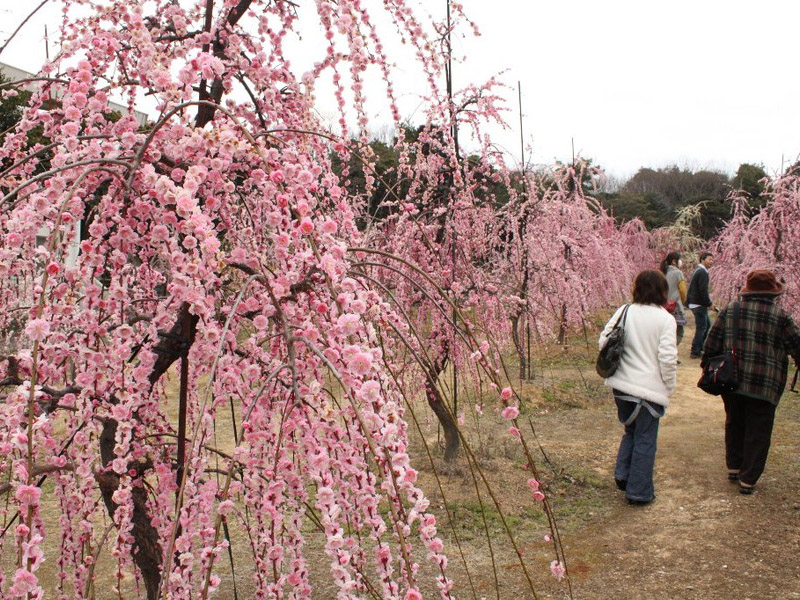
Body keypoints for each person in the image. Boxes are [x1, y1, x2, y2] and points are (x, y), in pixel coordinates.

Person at [701, 269, 800, 494]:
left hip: (732, 380)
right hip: (766, 384)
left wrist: (708, 366)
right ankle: (748, 479)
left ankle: (734, 467)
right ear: (772, 294)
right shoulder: (781, 316)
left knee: (734, 421)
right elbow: (796, 345)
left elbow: (711, 343)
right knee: (759, 429)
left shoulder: (731, 310)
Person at [599, 270, 678, 505]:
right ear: (662, 291)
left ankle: (624, 475)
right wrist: (669, 386)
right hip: (648, 390)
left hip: (621, 387)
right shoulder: (665, 319)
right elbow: (667, 358)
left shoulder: (624, 311)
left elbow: (604, 341)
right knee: (645, 438)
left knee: (631, 431)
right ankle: (639, 491)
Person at [687, 252, 717, 358]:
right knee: (702, 327)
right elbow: (703, 290)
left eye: (712, 260)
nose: (711, 262)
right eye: (709, 259)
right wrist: (709, 303)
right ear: (702, 260)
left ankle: (700, 348)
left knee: (707, 325)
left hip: (695, 303)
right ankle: (695, 351)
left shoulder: (698, 271)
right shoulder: (703, 272)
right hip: (698, 304)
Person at [659, 251, 688, 346]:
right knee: (679, 332)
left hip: (662, 306)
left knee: (664, 331)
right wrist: (684, 302)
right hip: (675, 306)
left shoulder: (661, 272)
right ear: (674, 261)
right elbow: (682, 291)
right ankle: (670, 350)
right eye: (679, 260)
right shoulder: (678, 273)